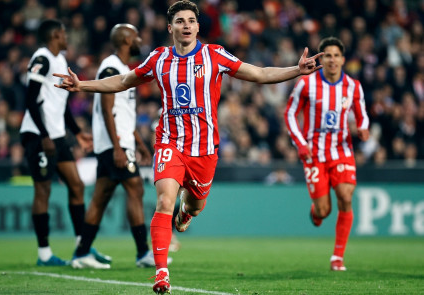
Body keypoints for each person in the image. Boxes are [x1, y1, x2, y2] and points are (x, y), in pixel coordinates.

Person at [54, 1, 322, 292]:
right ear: (171, 28)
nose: (186, 25)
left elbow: (258, 74)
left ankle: (187, 212)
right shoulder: (159, 58)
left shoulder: (214, 55)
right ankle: (161, 273)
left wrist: (296, 70)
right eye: (180, 21)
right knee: (164, 202)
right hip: (170, 142)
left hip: (205, 151)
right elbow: (123, 81)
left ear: (197, 26)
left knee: (193, 205)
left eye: (191, 20)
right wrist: (82, 85)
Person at [71, 24, 171, 269]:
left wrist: (139, 143)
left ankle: (82, 253)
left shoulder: (124, 69)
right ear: (127, 40)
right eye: (136, 35)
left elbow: (123, 113)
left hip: (119, 142)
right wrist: (117, 147)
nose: (139, 39)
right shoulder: (110, 67)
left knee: (100, 199)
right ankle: (143, 253)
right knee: (135, 188)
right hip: (114, 144)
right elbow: (107, 109)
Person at [19, 19, 107, 266]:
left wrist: (77, 132)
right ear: (56, 35)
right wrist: (44, 135)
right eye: (64, 33)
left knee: (76, 185)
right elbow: (30, 99)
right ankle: (44, 254)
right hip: (38, 135)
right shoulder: (42, 58)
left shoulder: (60, 61)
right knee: (43, 190)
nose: (67, 37)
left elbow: (61, 103)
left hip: (57, 135)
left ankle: (82, 249)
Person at [284, 37, 370, 271]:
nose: (332, 60)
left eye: (336, 55)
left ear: (343, 59)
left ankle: (337, 257)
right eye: (327, 55)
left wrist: (363, 128)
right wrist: (301, 144)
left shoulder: (353, 86)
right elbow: (290, 114)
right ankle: (317, 211)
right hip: (313, 154)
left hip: (341, 150)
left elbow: (362, 114)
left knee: (345, 195)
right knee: (324, 210)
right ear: (322, 58)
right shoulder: (306, 84)